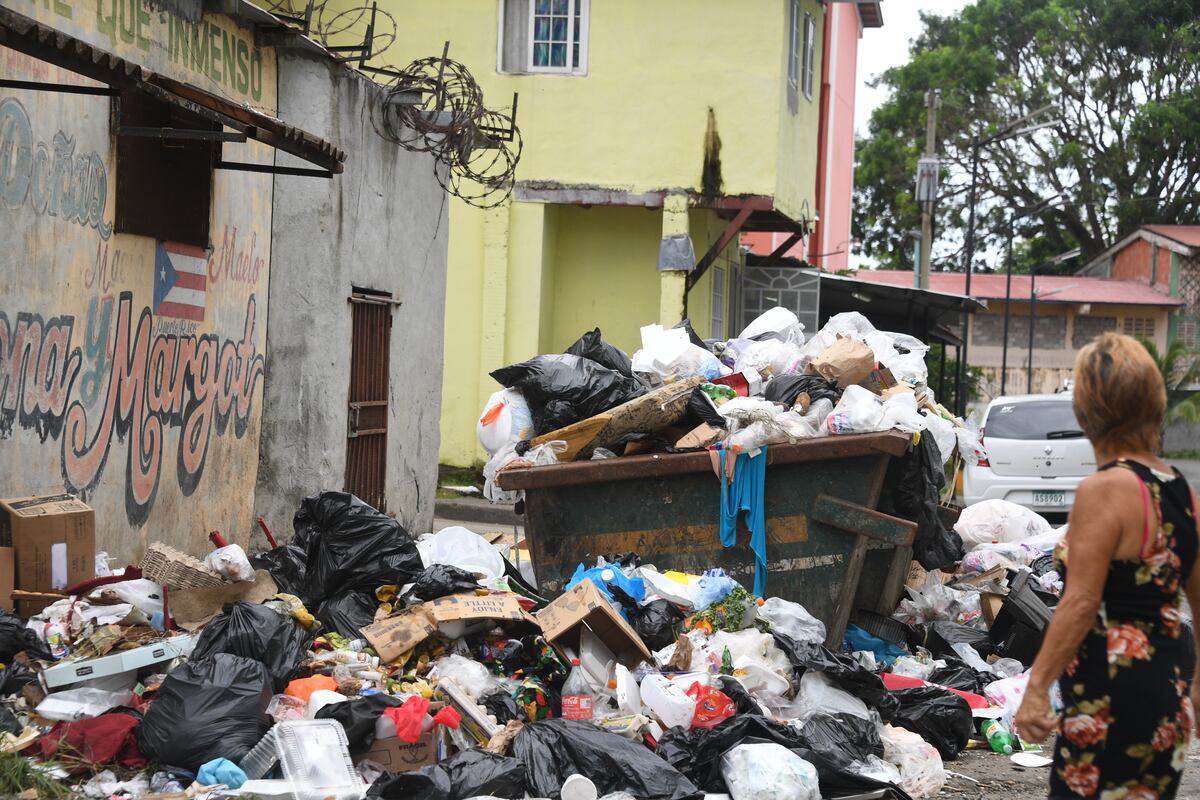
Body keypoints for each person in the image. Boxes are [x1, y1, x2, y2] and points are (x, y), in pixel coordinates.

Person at [1014, 333, 1200, 798]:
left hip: (1111, 701)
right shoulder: (1181, 491)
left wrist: (1036, 689)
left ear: (1085, 410)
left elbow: (1081, 600)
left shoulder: (1105, 489)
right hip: (1166, 700)